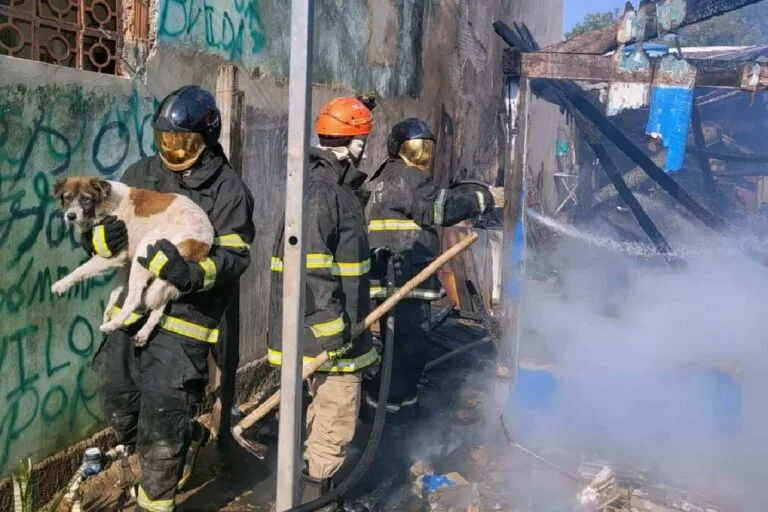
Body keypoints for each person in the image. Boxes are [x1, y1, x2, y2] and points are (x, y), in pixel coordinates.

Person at [86, 85, 255, 512]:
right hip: (133, 309)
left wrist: (190, 273)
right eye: (165, 141)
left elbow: (235, 257)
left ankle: (156, 501)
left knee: (162, 420)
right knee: (117, 399)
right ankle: (189, 435)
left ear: (207, 139)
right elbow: (104, 233)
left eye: (183, 143)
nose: (172, 151)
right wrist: (99, 240)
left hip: (185, 320)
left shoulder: (229, 191)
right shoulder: (141, 173)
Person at [267, 96, 379, 508]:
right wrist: (335, 333)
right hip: (325, 336)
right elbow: (311, 266)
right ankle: (318, 502)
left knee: (320, 418)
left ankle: (311, 492)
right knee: (336, 418)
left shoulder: (328, 188)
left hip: (321, 331)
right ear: (355, 143)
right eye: (363, 139)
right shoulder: (323, 191)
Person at [361, 117, 494, 423]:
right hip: (404, 276)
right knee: (409, 348)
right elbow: (441, 208)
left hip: (395, 275)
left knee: (402, 347)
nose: (424, 154)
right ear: (399, 148)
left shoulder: (387, 178)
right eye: (417, 147)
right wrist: (483, 199)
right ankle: (385, 417)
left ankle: (402, 409)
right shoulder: (408, 178)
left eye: (427, 148)